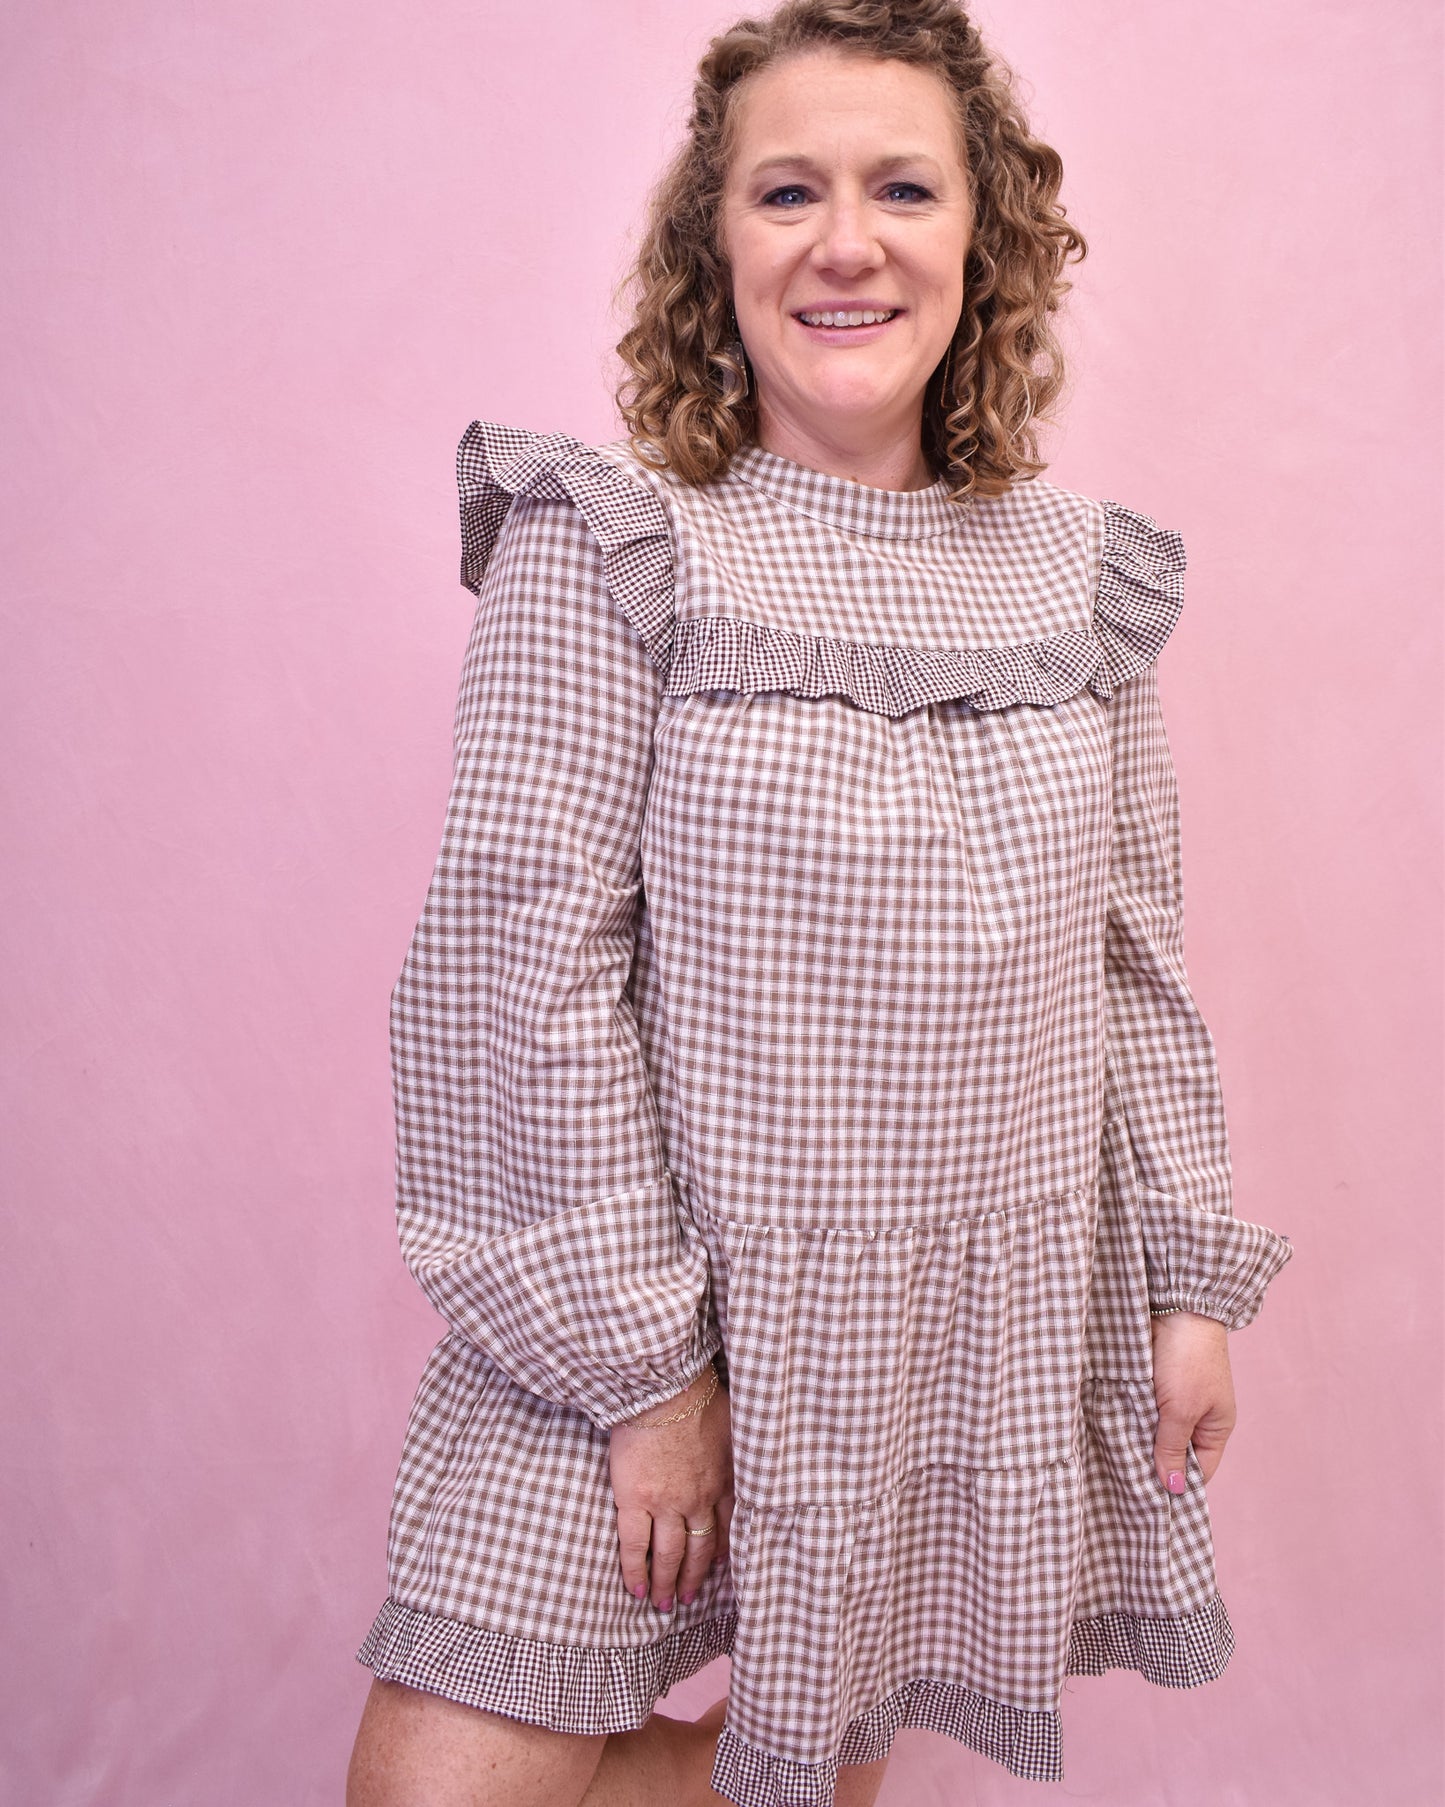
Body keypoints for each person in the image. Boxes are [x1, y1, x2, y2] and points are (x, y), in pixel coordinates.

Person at [345, 3, 1294, 1803]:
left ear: (979, 244)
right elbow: (514, 975)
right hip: (658, 1302)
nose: (845, 240)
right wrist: (646, 1376)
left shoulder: (1077, 579)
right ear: (717, 247)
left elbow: (1130, 956)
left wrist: (1187, 1284)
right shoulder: (613, 540)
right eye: (787, 191)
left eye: (902, 188)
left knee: (800, 1776)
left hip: (943, 1328)